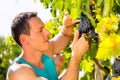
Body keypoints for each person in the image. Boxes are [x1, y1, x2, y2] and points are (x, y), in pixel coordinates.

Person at [6, 12, 89, 80]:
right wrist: (76, 57)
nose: (48, 32)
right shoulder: (18, 73)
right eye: (40, 30)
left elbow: (65, 35)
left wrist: (67, 26)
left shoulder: (46, 51)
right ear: (23, 39)